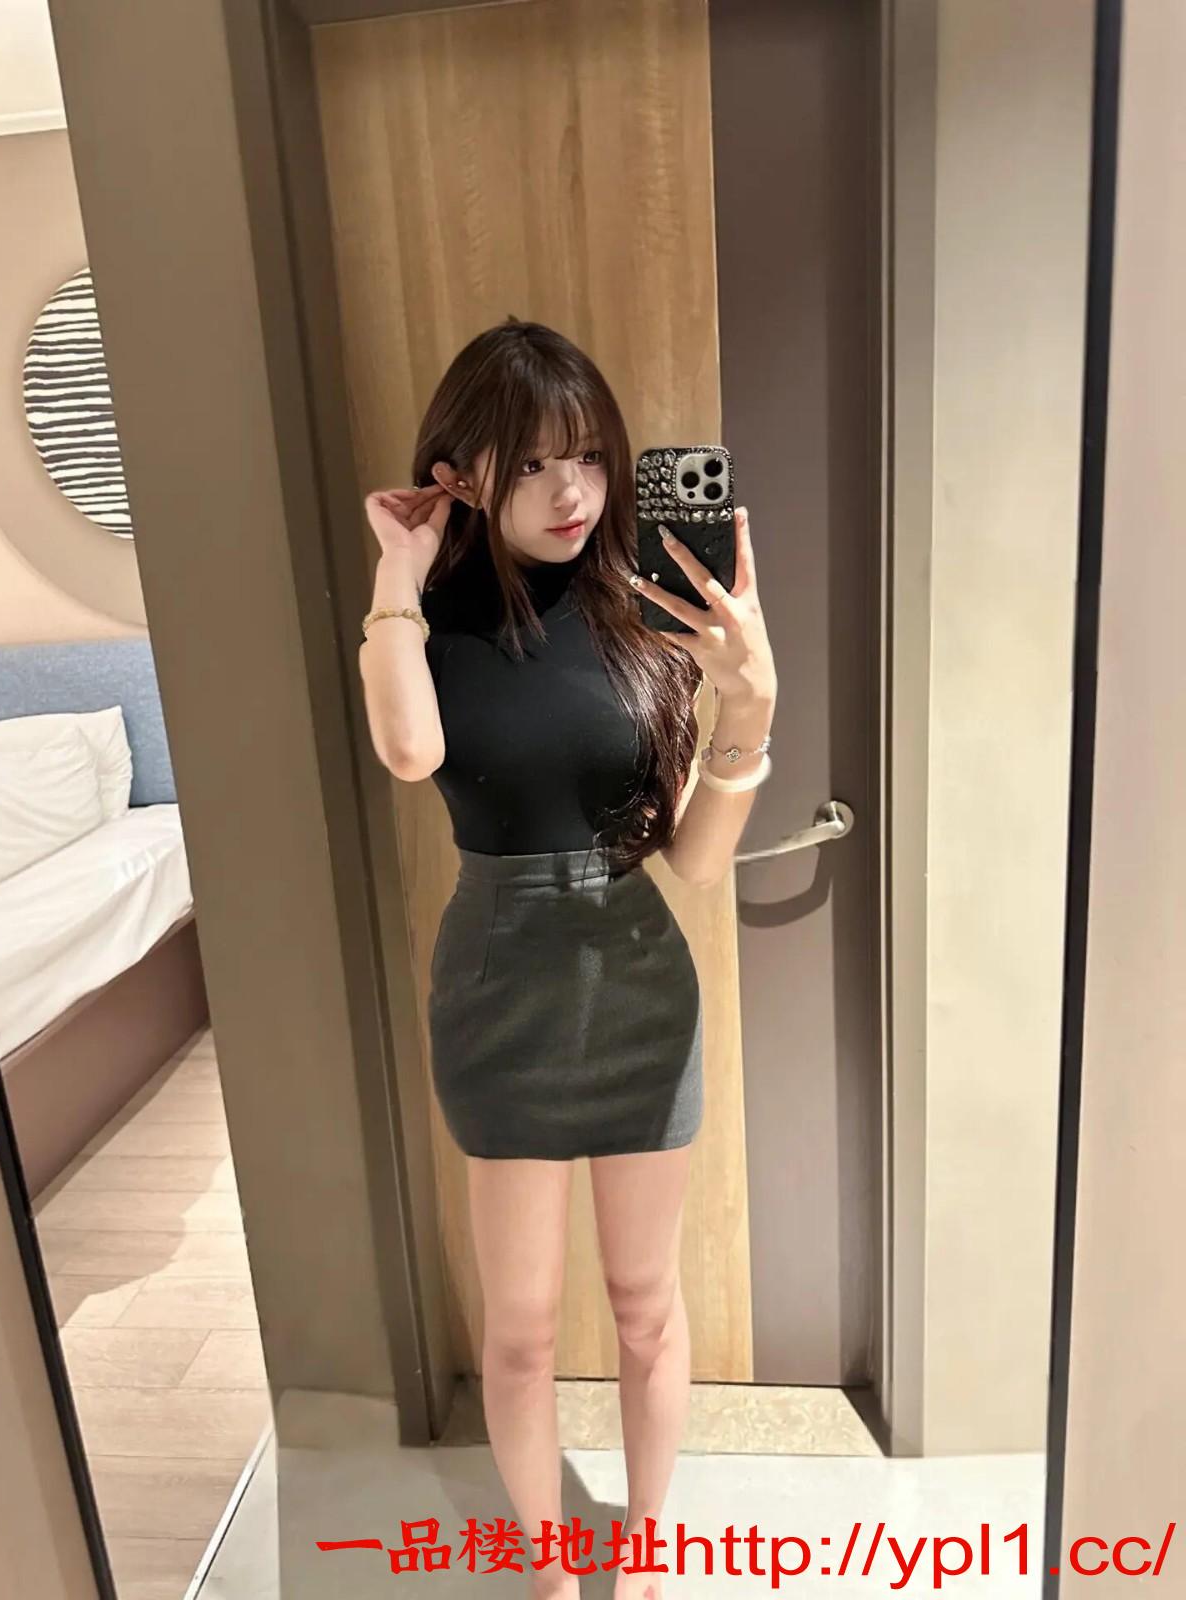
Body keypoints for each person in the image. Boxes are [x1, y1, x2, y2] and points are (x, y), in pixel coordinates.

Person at [358, 317, 777, 1600]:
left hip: (639, 982)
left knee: (645, 1301)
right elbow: (412, 753)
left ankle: (643, 1552)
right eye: (533, 462)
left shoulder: (645, 610)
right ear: (463, 471)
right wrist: (395, 575)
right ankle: (549, 1570)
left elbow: (695, 861)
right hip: (500, 990)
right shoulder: (428, 615)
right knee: (524, 1330)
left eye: (589, 455)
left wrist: (750, 704)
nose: (571, 491)